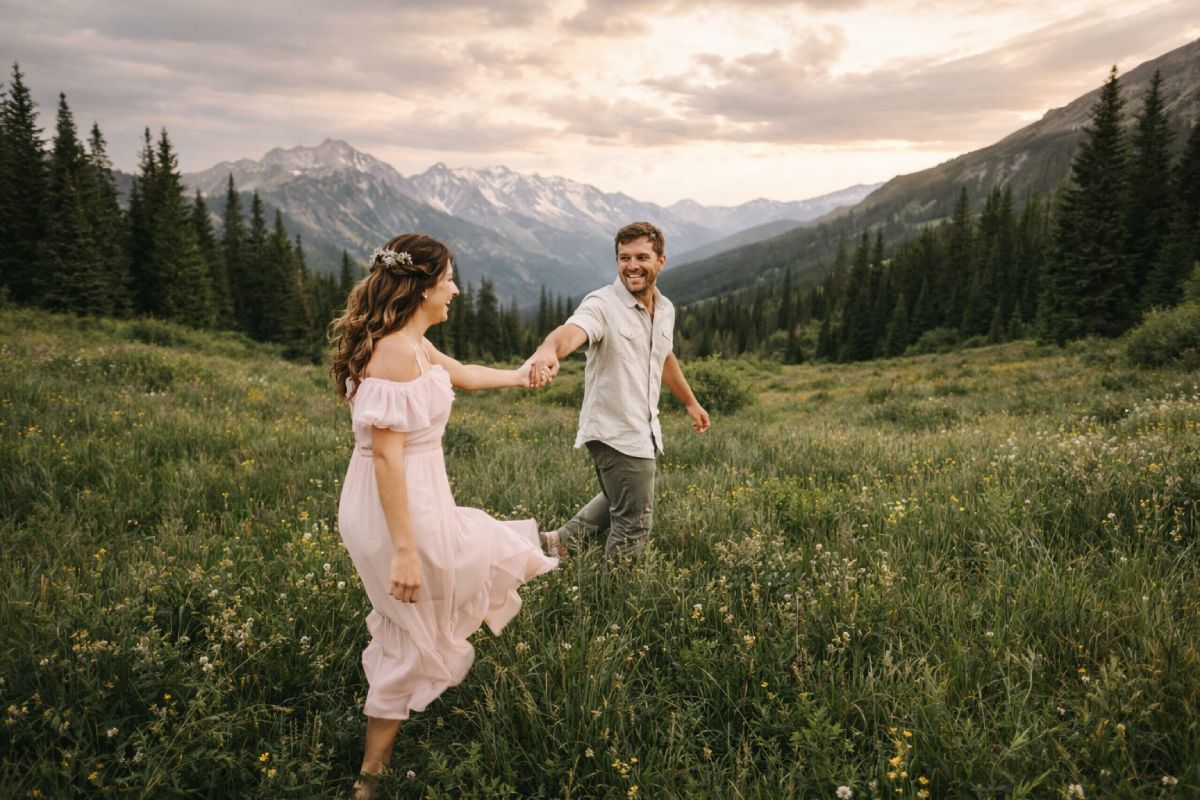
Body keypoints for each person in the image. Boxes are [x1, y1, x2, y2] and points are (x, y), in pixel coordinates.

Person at [330, 233, 557, 799]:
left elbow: (464, 373)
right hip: (397, 504)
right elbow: (386, 454)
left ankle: (373, 772)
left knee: (444, 591)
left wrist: (521, 373)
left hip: (417, 496)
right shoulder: (395, 352)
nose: (456, 289)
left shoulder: (413, 343)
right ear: (422, 287)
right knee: (417, 625)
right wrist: (404, 550)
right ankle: (369, 782)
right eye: (448, 279)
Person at [528, 221, 710, 562]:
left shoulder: (665, 309)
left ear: (661, 261)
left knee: (621, 497)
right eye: (624, 257)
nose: (632, 266)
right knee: (634, 522)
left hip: (643, 428)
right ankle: (614, 605)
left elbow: (664, 356)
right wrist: (548, 350)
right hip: (615, 430)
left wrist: (691, 402)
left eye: (642, 256)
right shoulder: (602, 304)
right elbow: (572, 331)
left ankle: (560, 542)